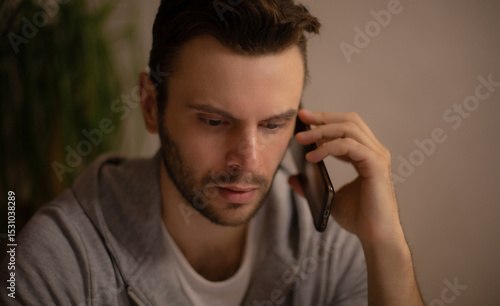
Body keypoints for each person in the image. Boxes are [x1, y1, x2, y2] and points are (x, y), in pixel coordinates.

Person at [1, 0, 424, 305]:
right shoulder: (57, 260)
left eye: (274, 124)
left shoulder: (330, 242)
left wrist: (385, 243)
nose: (250, 160)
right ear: (151, 106)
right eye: (215, 122)